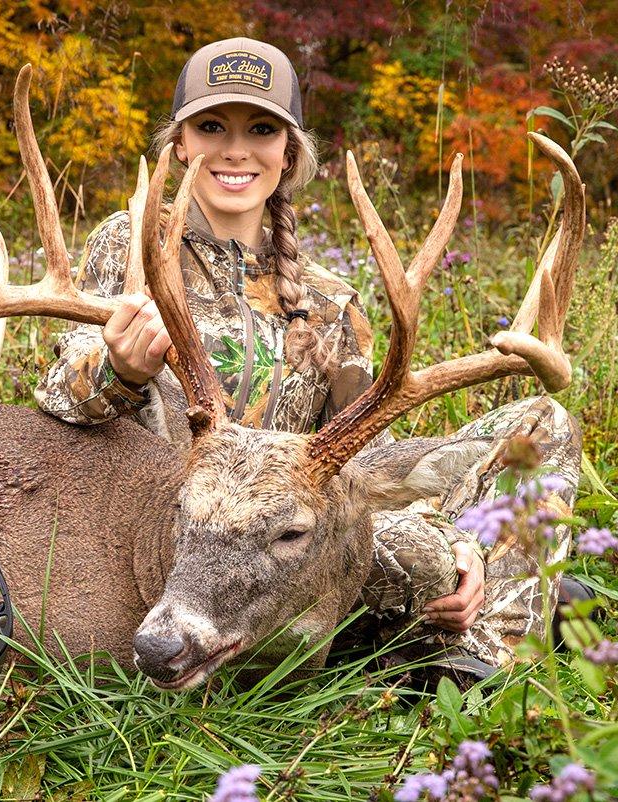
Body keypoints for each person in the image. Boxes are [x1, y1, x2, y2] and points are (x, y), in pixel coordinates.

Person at [34, 38, 582, 678]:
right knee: (423, 563)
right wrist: (117, 369)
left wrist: (454, 540)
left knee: (542, 427)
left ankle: (478, 664)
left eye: (261, 129)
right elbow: (56, 402)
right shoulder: (135, 248)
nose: (235, 149)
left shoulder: (331, 302)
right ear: (179, 144)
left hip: (293, 543)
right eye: (212, 126)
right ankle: (428, 630)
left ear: (288, 152)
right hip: (170, 530)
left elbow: (363, 467)